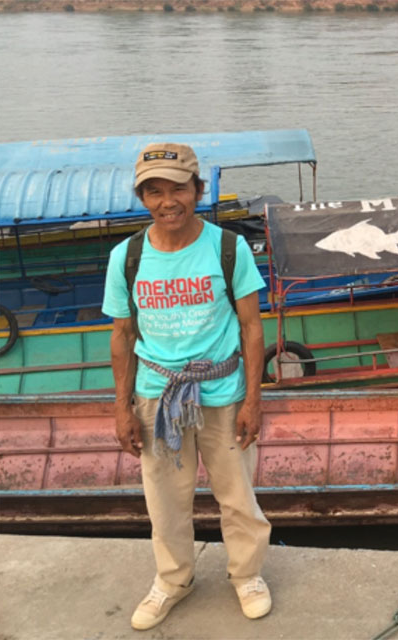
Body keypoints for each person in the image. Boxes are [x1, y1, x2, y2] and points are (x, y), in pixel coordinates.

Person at [102, 143, 272, 631]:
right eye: (154, 191)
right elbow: (122, 334)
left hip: (223, 392)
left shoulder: (227, 248)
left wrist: (254, 400)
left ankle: (247, 575)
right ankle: (173, 581)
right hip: (157, 397)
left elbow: (251, 328)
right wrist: (121, 408)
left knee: (237, 494)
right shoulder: (127, 257)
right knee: (165, 500)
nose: (167, 201)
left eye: (179, 188)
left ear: (199, 190)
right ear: (143, 198)